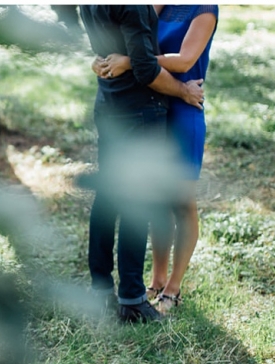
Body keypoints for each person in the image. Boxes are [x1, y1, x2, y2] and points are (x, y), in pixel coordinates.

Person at [78, 5, 205, 323]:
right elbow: (146, 70)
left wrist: (108, 60)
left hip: (108, 103)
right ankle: (133, 299)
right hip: (138, 109)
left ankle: (100, 290)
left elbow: (108, 48)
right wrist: (183, 91)